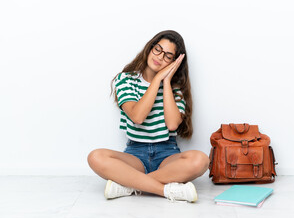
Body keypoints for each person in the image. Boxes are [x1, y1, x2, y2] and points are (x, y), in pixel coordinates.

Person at [87, 30, 209, 202]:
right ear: (150, 48)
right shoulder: (126, 80)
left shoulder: (175, 88)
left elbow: (173, 124)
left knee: (200, 160)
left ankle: (129, 186)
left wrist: (165, 81)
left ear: (174, 63)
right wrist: (158, 78)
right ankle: (166, 190)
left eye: (168, 56)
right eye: (158, 49)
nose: (159, 56)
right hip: (135, 155)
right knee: (95, 157)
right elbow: (138, 116)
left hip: (167, 154)